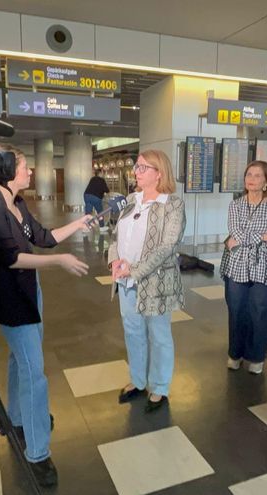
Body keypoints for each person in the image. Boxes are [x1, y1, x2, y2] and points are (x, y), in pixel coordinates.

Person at [0, 143, 91, 486]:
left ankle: (16, 418)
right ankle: (37, 453)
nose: (30, 172)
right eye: (24, 167)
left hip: (28, 292)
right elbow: (12, 258)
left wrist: (77, 224)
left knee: (20, 360)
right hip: (11, 300)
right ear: (8, 171)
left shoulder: (17, 204)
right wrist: (60, 261)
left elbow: (44, 237)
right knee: (34, 374)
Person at [109, 149, 185, 413]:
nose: (136, 172)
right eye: (136, 167)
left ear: (159, 173)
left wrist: (135, 270)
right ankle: (139, 381)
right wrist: (114, 260)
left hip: (155, 282)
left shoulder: (172, 205)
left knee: (159, 335)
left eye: (143, 167)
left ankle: (160, 387)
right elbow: (115, 235)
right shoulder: (131, 200)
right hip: (126, 281)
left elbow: (168, 246)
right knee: (133, 332)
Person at [221, 161, 267, 375]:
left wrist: (245, 239)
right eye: (249, 174)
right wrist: (263, 236)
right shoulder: (235, 205)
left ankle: (257, 357)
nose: (252, 179)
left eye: (258, 175)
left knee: (260, 311)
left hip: (265, 265)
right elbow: (235, 231)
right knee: (236, 310)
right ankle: (235, 353)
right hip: (237, 264)